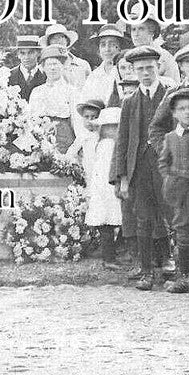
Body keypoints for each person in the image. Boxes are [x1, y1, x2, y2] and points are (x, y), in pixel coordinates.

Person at [111, 46, 172, 291]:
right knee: (143, 218)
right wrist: (122, 178)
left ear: (157, 68)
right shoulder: (130, 101)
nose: (145, 73)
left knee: (171, 214)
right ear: (134, 72)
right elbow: (122, 141)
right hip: (139, 168)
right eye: (140, 69)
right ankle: (146, 270)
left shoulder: (171, 95)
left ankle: (172, 263)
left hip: (165, 166)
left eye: (149, 67)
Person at [157, 88, 189, 294]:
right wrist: (169, 179)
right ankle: (184, 276)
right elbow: (163, 162)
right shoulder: (170, 137)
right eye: (182, 109)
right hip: (179, 188)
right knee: (182, 229)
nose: (187, 112)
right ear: (174, 113)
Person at [74, 106, 122, 270]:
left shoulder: (108, 143)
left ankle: (113, 255)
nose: (110, 130)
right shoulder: (106, 143)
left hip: (107, 188)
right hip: (104, 189)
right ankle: (110, 257)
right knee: (107, 223)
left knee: (111, 222)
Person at [28, 45, 77, 152]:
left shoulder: (71, 91)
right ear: (43, 68)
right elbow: (30, 120)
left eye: (56, 64)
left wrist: (75, 148)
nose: (52, 68)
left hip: (64, 141)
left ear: (63, 66)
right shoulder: (37, 92)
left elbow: (76, 122)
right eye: (49, 64)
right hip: (40, 139)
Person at [81, 25, 125, 105]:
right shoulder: (94, 76)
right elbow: (85, 101)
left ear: (120, 48)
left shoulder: (126, 71)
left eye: (112, 44)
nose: (107, 49)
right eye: (103, 45)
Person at [40, 24, 90, 90]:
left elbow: (90, 89)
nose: (58, 41)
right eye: (53, 38)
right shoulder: (43, 67)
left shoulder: (82, 64)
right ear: (49, 43)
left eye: (61, 37)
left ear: (67, 40)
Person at [7, 35, 46, 101]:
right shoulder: (8, 76)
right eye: (22, 53)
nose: (26, 57)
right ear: (18, 54)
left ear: (38, 53)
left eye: (30, 52)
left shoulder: (46, 76)